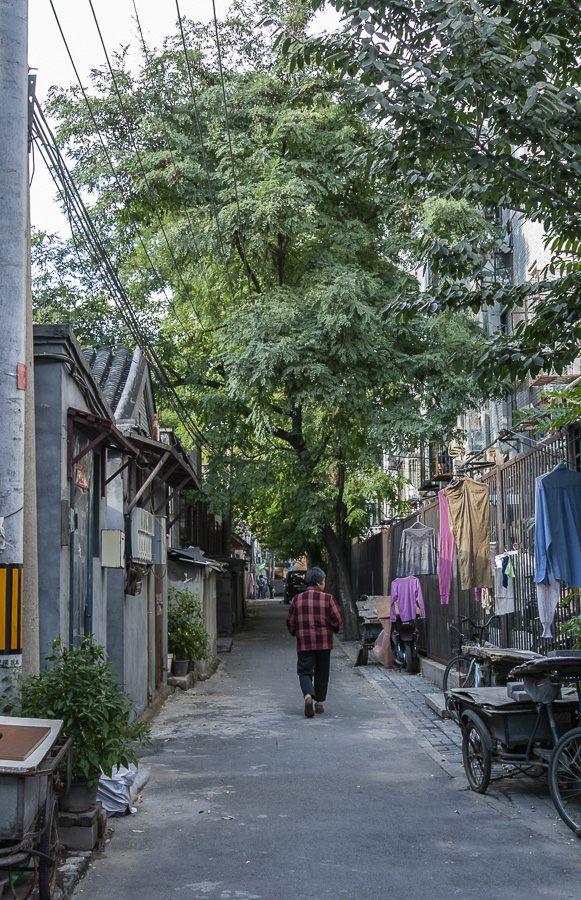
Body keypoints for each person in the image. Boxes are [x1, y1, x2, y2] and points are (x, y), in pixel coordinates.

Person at [286, 566, 342, 717]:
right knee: (322, 672)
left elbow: (290, 621)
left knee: (304, 671)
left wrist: (295, 633)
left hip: (304, 642)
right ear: (318, 582)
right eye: (323, 581)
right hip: (324, 642)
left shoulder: (296, 600)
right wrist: (332, 630)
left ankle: (308, 696)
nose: (324, 584)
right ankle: (319, 703)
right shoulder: (328, 598)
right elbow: (337, 619)